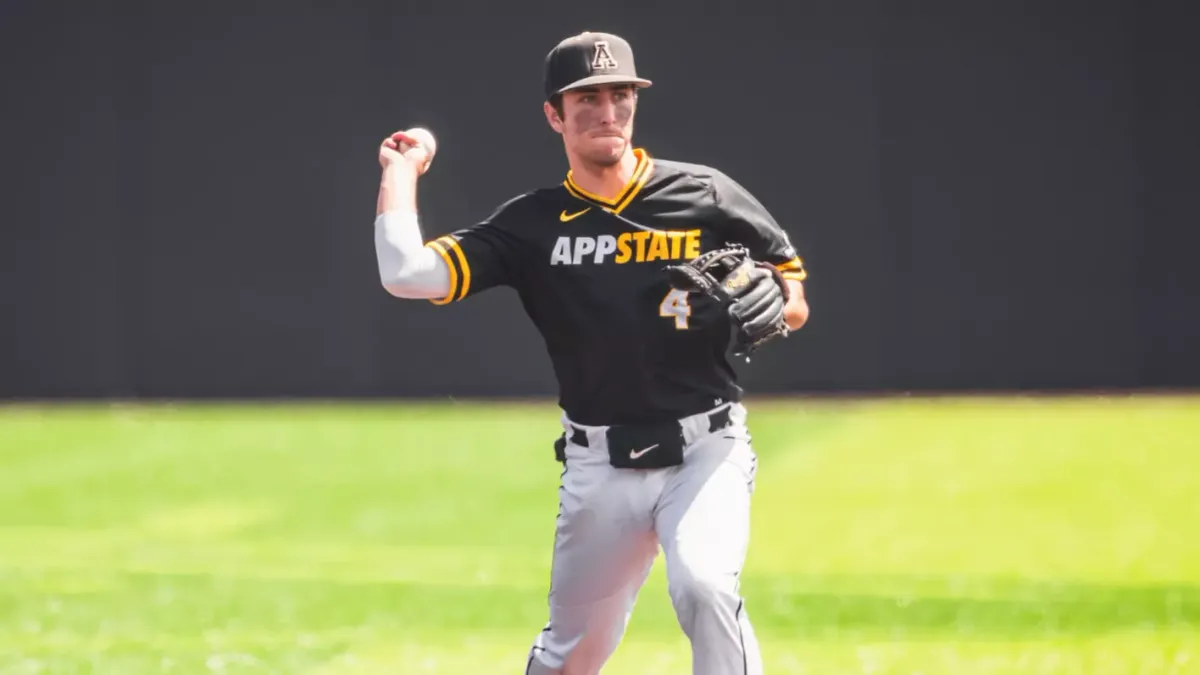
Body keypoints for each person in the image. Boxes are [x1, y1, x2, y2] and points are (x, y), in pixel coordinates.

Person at [373, 30, 808, 675]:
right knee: (572, 655)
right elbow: (406, 273)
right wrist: (401, 172)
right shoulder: (531, 224)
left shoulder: (705, 194)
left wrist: (779, 296)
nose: (608, 112)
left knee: (706, 588)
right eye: (588, 99)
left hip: (706, 448)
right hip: (600, 464)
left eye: (621, 96)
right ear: (555, 114)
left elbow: (792, 291)